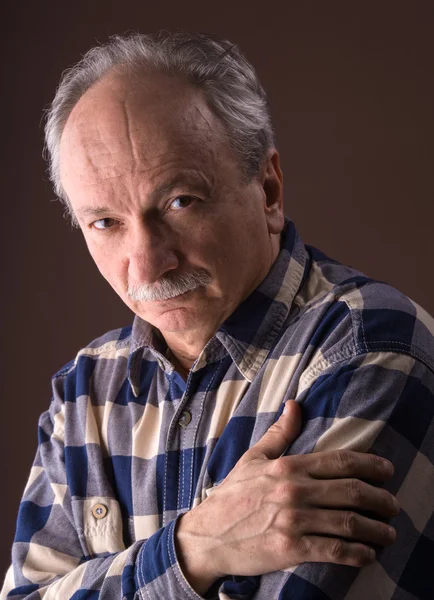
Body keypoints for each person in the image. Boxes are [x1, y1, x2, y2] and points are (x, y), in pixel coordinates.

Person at [1, 32, 433, 600]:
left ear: (269, 190)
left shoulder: (368, 347)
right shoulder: (85, 391)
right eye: (105, 223)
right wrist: (194, 549)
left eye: (181, 201)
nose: (148, 263)